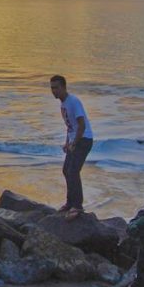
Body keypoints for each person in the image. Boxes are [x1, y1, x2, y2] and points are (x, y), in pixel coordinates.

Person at [50, 75, 94, 219]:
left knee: (73, 171)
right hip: (75, 140)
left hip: (84, 139)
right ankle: (70, 202)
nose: (53, 91)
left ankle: (78, 206)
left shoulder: (73, 101)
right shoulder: (63, 104)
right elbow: (70, 127)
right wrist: (67, 142)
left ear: (64, 87)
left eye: (56, 88)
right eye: (52, 88)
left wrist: (75, 142)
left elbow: (81, 124)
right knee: (66, 170)